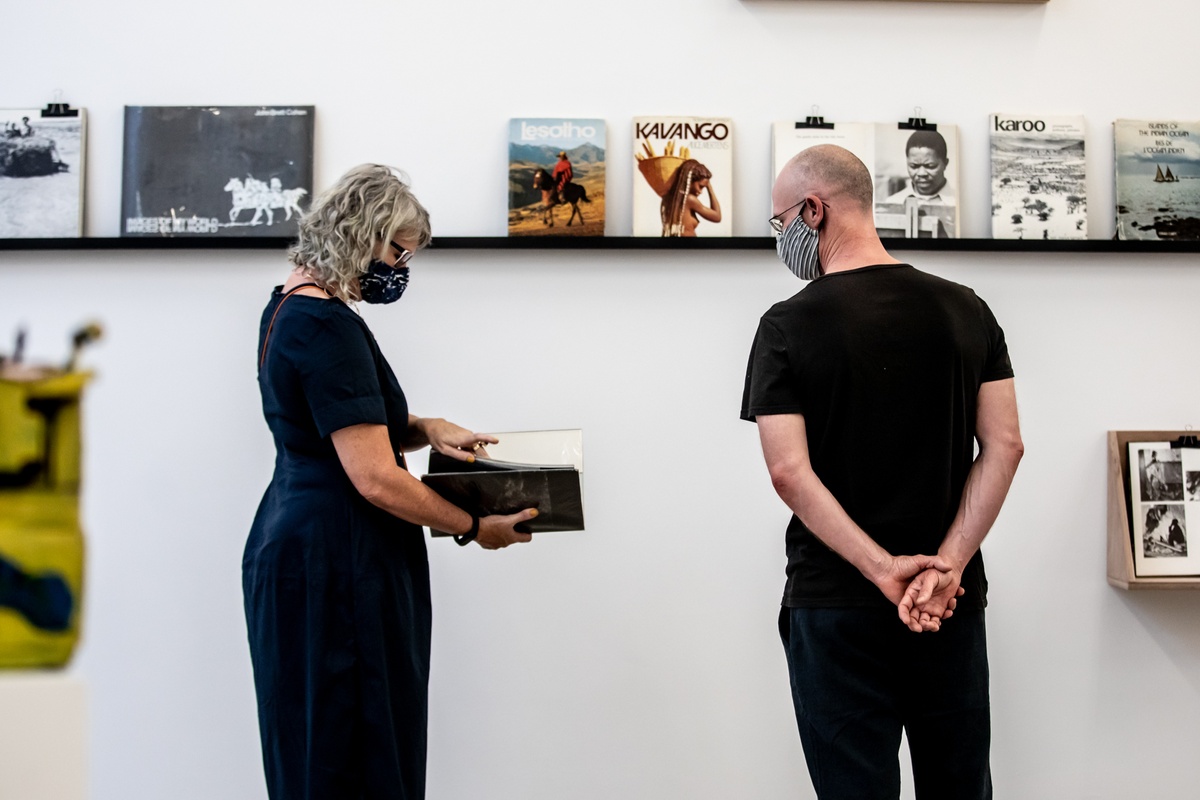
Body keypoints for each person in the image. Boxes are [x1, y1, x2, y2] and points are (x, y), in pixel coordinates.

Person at [243, 163, 537, 800]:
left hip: (298, 542)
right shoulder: (325, 326)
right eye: (397, 248)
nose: (402, 265)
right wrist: (473, 527)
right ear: (360, 230)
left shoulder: (287, 306)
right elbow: (374, 477)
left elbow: (339, 424)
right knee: (356, 746)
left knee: (313, 737)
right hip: (339, 562)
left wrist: (426, 428)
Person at [741, 144, 1024, 800]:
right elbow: (1005, 446)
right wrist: (945, 567)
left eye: (781, 222)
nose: (781, 239)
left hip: (835, 601)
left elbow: (788, 472)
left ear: (815, 209)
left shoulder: (786, 325)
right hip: (945, 603)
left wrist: (879, 569)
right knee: (959, 789)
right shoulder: (967, 308)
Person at [885, 129, 954, 205]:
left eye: (930, 166)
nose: (922, 173)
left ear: (945, 163)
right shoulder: (893, 202)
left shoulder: (959, 202)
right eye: (914, 166)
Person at [660, 159, 721, 237]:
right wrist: (709, 187)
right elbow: (717, 217)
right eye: (701, 186)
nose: (701, 192)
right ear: (689, 181)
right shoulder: (690, 200)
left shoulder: (666, 198)